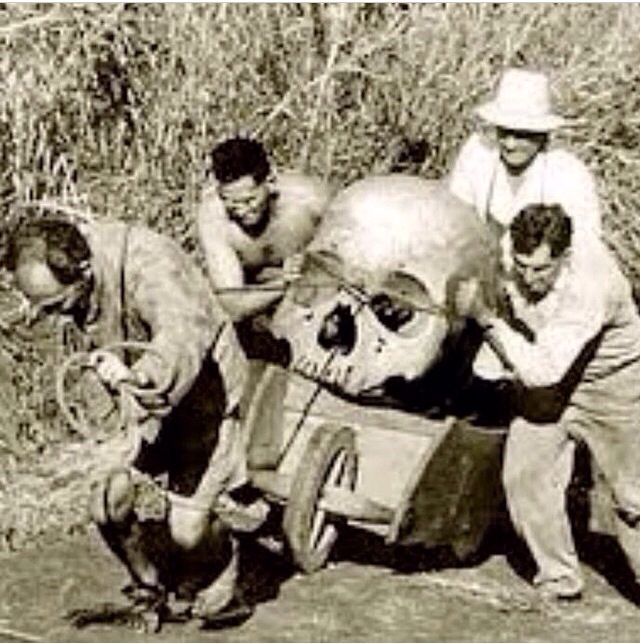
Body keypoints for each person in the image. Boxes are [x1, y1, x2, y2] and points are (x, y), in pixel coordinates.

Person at [5, 216, 258, 631]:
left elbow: (180, 336)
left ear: (84, 272)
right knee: (106, 502)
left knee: (188, 533)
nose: (49, 316)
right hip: (136, 397)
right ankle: (150, 586)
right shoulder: (78, 279)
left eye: (54, 304)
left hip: (202, 395)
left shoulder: (150, 263)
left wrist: (140, 377)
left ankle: (226, 555)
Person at [458, 203, 640, 601]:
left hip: (612, 386)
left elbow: (541, 370)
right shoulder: (512, 258)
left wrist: (487, 319)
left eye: (541, 269)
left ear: (566, 256)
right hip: (553, 383)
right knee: (525, 474)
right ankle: (558, 576)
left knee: (633, 498)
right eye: (521, 265)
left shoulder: (593, 285)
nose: (529, 277)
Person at [196, 136, 332, 357]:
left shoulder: (311, 200)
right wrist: (285, 283)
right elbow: (232, 305)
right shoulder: (213, 219)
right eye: (231, 202)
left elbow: (354, 257)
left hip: (319, 298)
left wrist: (314, 268)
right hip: (260, 312)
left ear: (269, 181)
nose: (241, 211)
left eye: (249, 200)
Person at [447, 67, 602, 260]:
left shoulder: (570, 175)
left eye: (522, 135)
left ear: (543, 134)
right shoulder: (478, 152)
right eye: (504, 132)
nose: (510, 145)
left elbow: (585, 248)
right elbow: (453, 217)